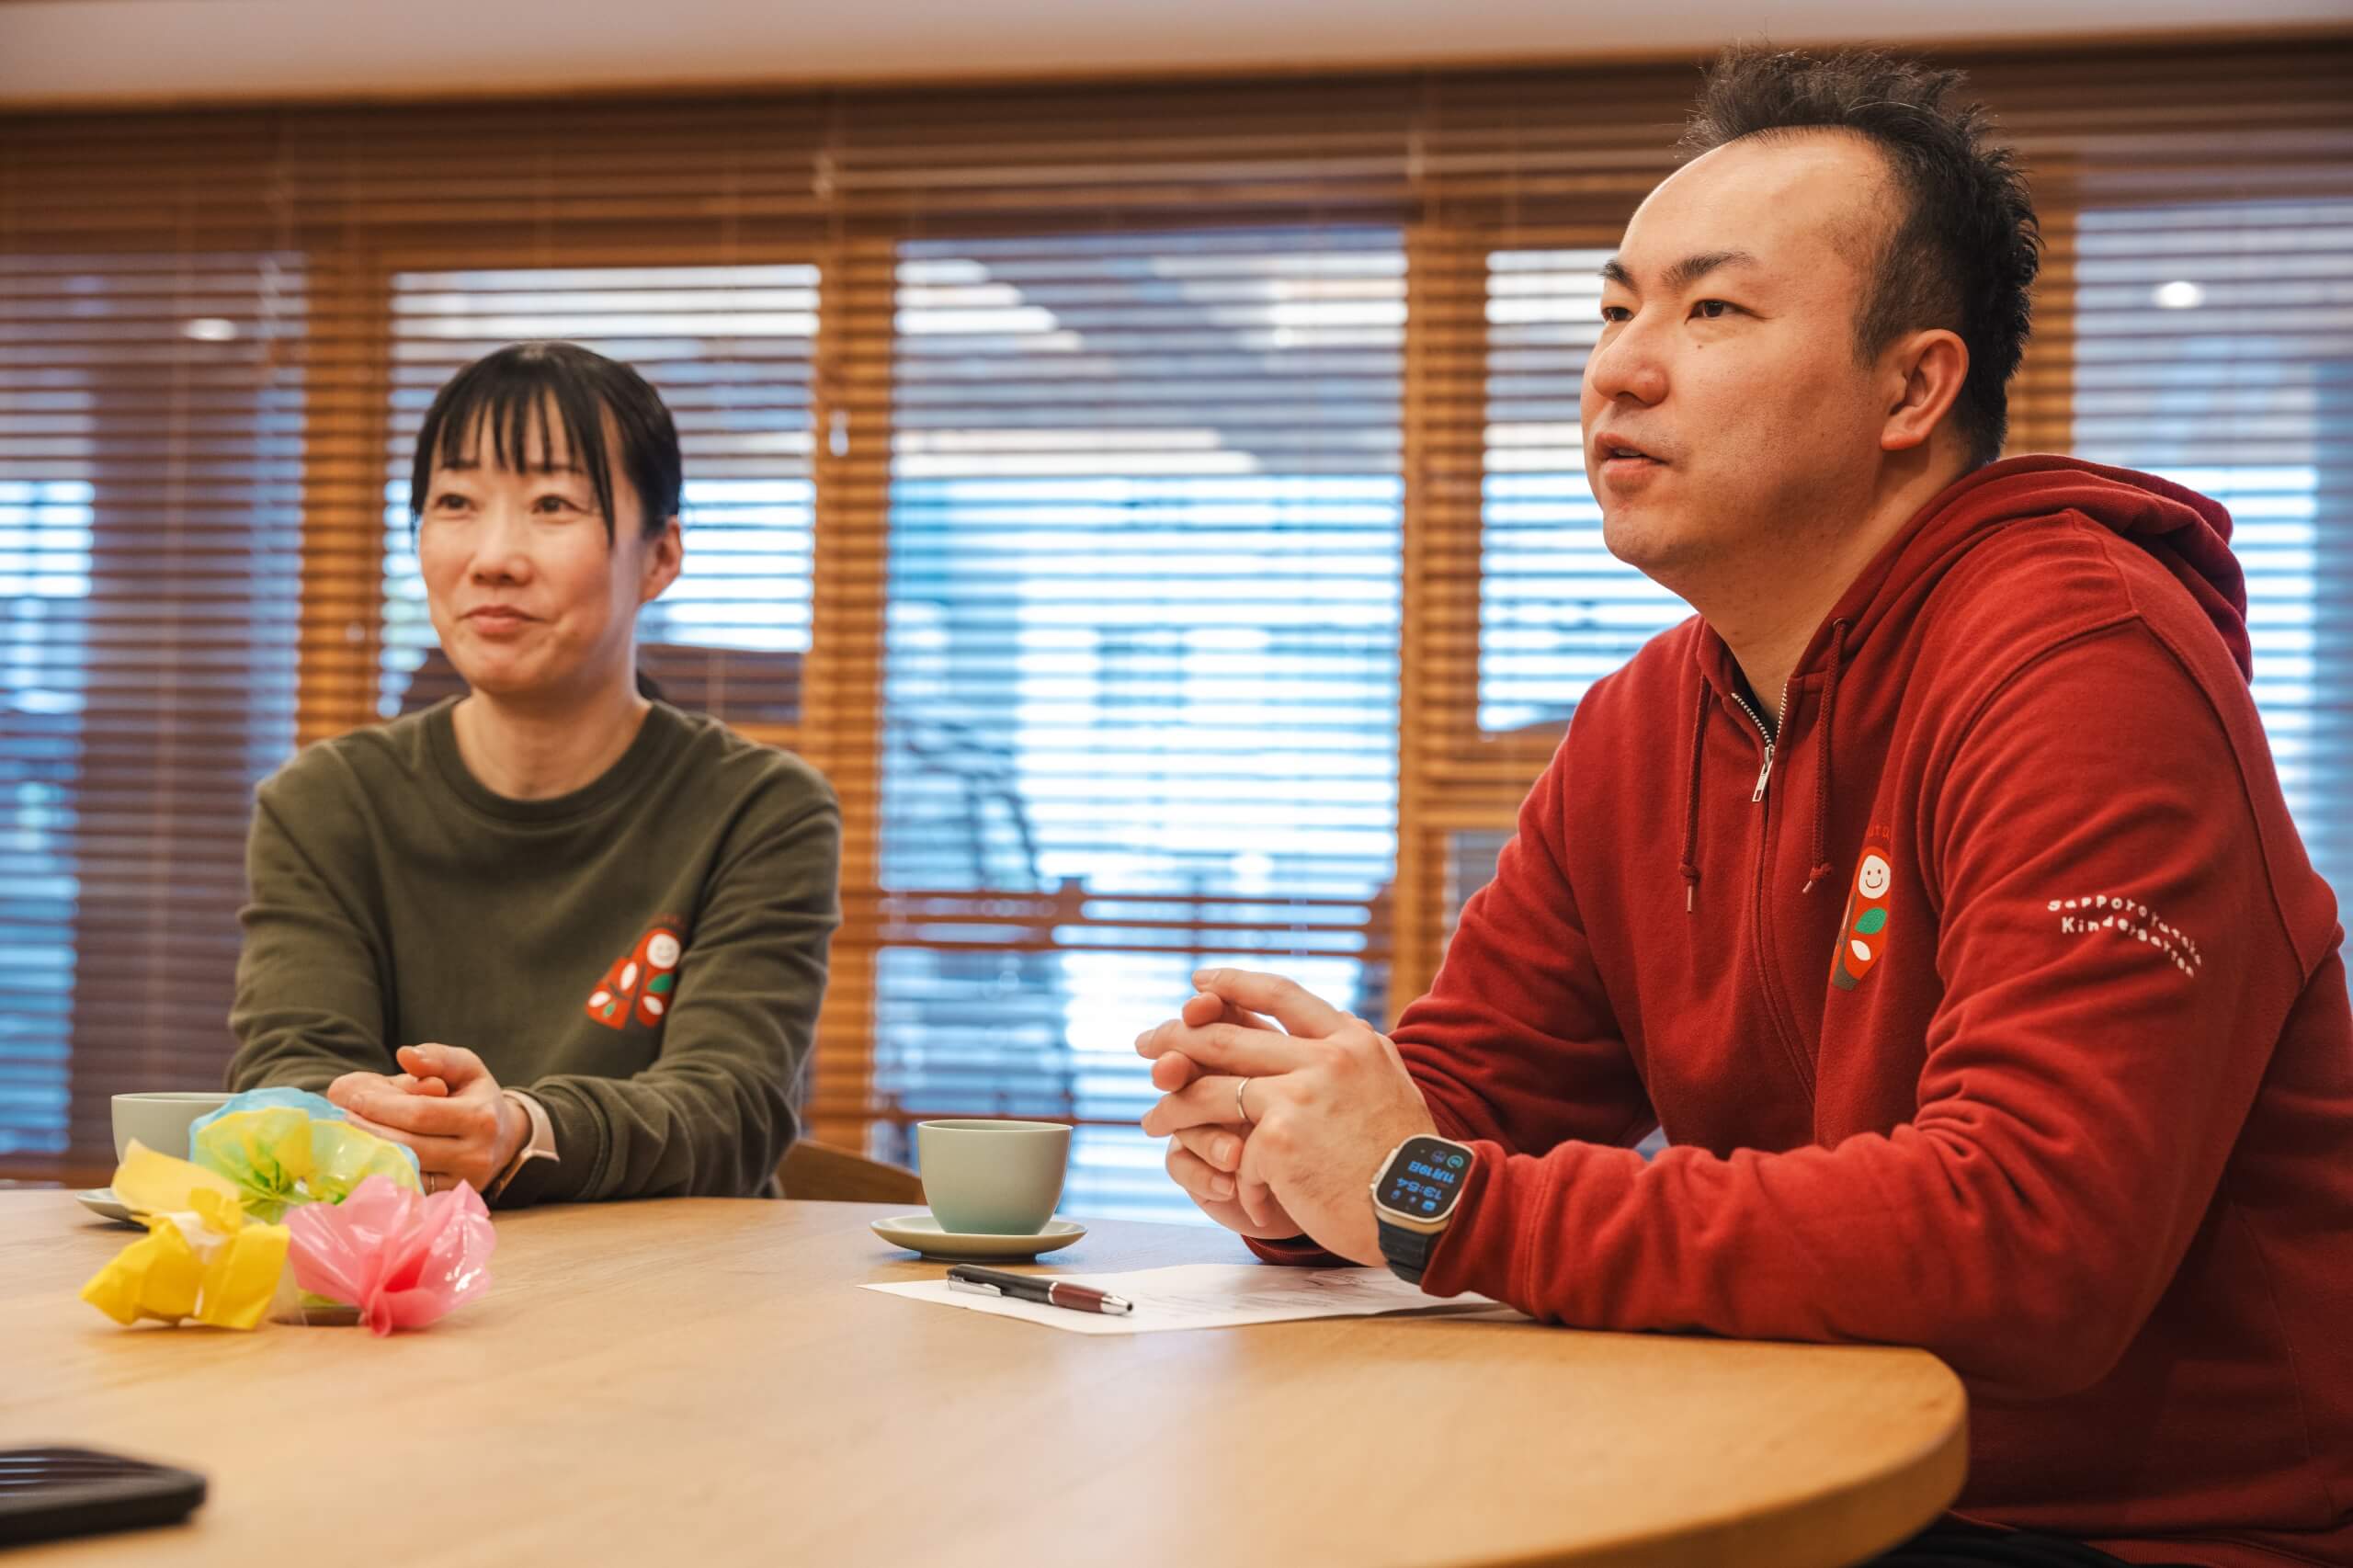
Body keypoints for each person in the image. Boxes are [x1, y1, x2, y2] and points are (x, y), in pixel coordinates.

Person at [1134, 46, 2353, 1568]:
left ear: (1913, 385)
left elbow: (2033, 1242)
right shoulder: (1645, 719)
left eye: (1710, 311)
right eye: (1615, 310)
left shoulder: (2084, 659)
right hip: (1782, 1457)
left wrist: (1424, 1193)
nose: (1620, 369)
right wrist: (1294, 1153)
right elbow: (1475, 1098)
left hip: (2117, 1531)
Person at [228, 342, 841, 1208]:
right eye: (455, 503)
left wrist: (521, 1131)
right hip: (388, 1274)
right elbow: (289, 1076)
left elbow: (728, 1110)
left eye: (553, 504)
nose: (494, 558)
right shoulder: (325, 803)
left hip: (677, 1281)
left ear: (660, 556)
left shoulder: (759, 809)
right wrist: (418, 1125)